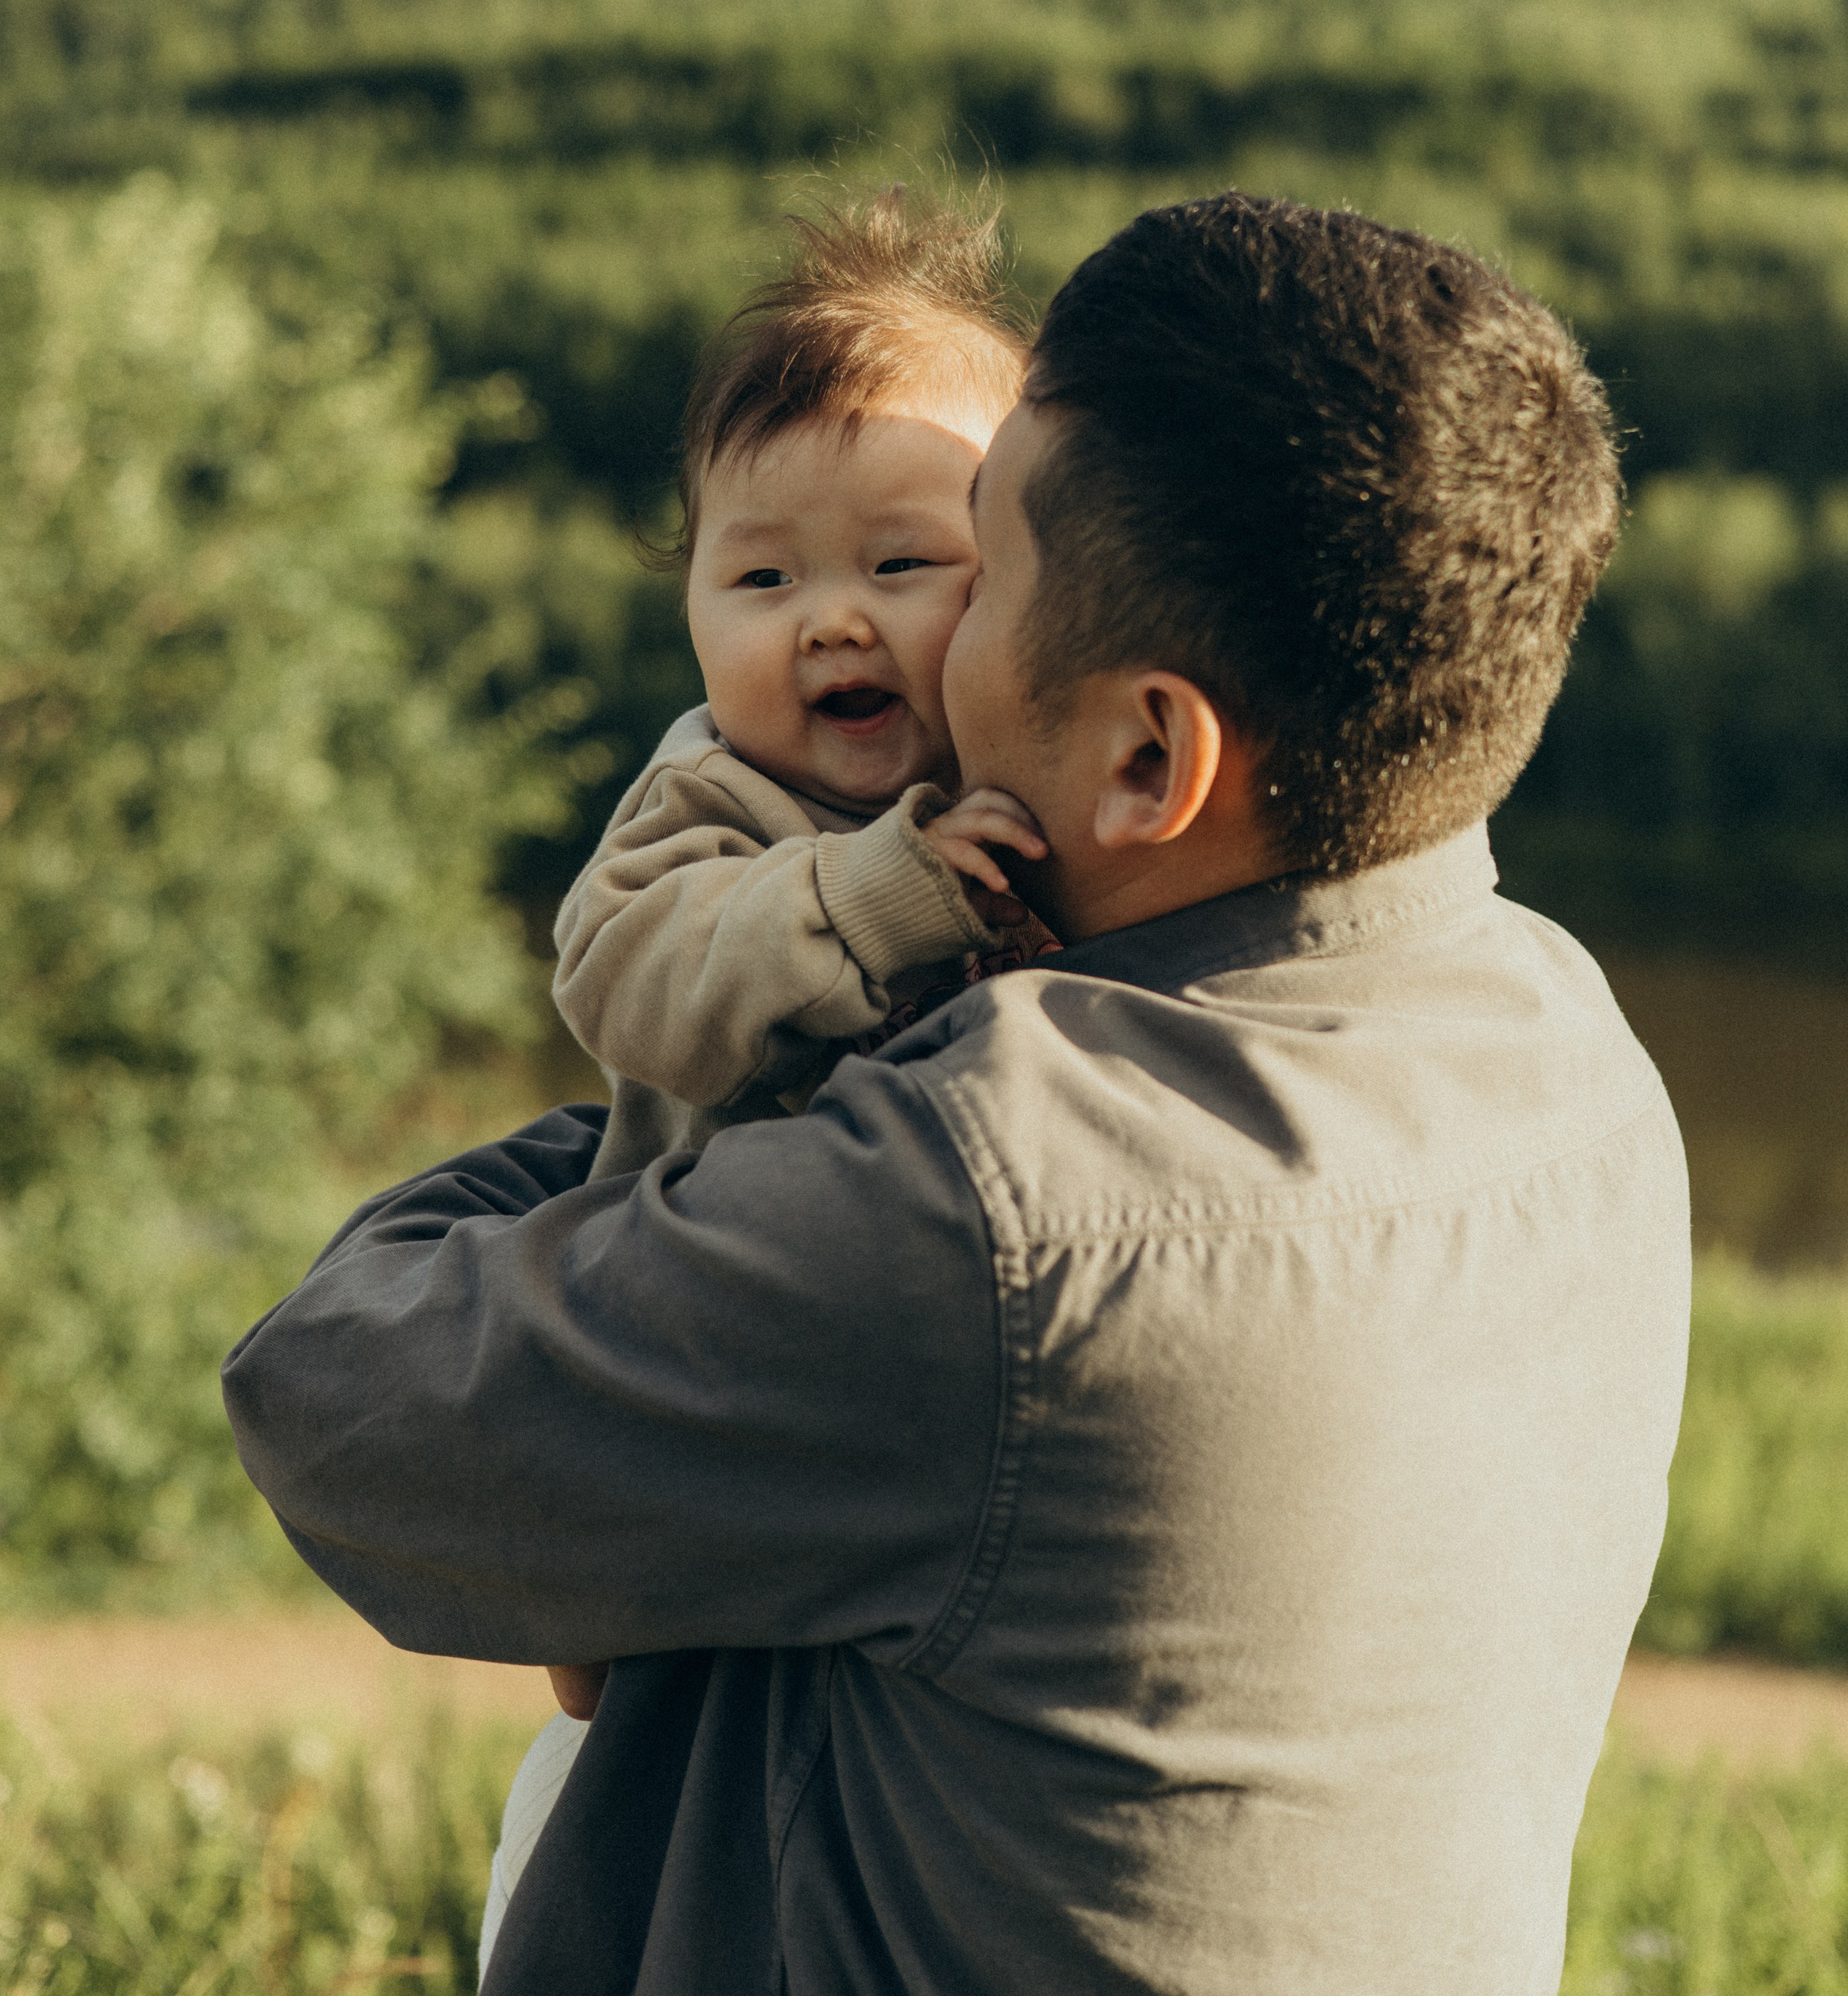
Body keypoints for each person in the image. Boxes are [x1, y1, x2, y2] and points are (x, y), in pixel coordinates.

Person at [225, 192, 1691, 1996]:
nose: (895, 636)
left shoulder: (986, 1205)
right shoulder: (1570, 1049)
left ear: (1147, 754)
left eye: (970, 569)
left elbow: (332, 1400)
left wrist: (699, 1120)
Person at [482, 191, 1050, 1971]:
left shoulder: (1022, 786)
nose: (830, 626)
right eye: (761, 580)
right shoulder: (713, 801)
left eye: (902, 567)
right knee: (630, 1700)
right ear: (688, 605)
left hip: (897, 1358)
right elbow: (630, 980)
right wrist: (876, 892)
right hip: (694, 1315)